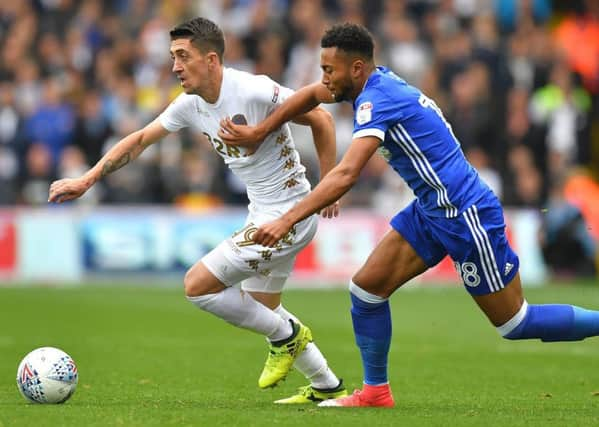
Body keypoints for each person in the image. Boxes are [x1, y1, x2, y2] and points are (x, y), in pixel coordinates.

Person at [219, 22, 599, 408]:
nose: (324, 79)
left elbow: (349, 173)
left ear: (356, 69)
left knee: (515, 323)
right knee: (366, 290)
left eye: (330, 70)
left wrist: (287, 219)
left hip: (465, 214)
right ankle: (375, 392)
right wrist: (261, 130)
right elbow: (310, 96)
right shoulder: (371, 83)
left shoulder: (376, 100)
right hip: (432, 209)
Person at [48, 17, 348, 405]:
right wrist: (88, 179)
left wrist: (328, 185)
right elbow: (140, 140)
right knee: (261, 309)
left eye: (182, 56)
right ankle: (326, 384)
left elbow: (321, 118)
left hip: (290, 214)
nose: (174, 66)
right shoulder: (189, 106)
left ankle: (288, 338)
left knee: (198, 286)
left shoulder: (254, 90)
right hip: (262, 213)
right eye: (173, 56)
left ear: (210, 59)